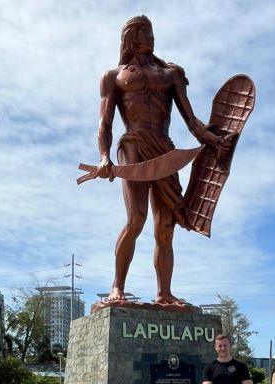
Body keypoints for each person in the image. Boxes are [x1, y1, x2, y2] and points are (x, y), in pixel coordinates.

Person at [96, 15, 230, 305]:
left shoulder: (170, 75)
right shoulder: (113, 77)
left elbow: (192, 121)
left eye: (153, 32)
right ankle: (117, 288)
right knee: (136, 219)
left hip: (165, 150)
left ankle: (164, 293)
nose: (152, 37)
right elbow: (104, 125)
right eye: (145, 32)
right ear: (132, 37)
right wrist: (105, 157)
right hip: (133, 145)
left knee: (165, 228)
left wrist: (213, 140)